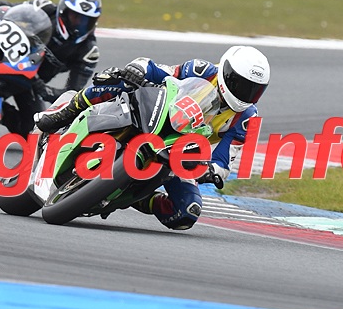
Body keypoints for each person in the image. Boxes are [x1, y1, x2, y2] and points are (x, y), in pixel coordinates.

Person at [35, 46, 270, 230]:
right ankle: (65, 111)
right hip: (157, 111)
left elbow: (224, 161)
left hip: (179, 151)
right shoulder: (202, 70)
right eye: (242, 85)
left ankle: (136, 198)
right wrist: (138, 69)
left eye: (255, 89)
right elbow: (159, 69)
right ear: (227, 73)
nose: (247, 94)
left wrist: (211, 171)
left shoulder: (246, 118)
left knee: (186, 212)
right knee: (117, 80)